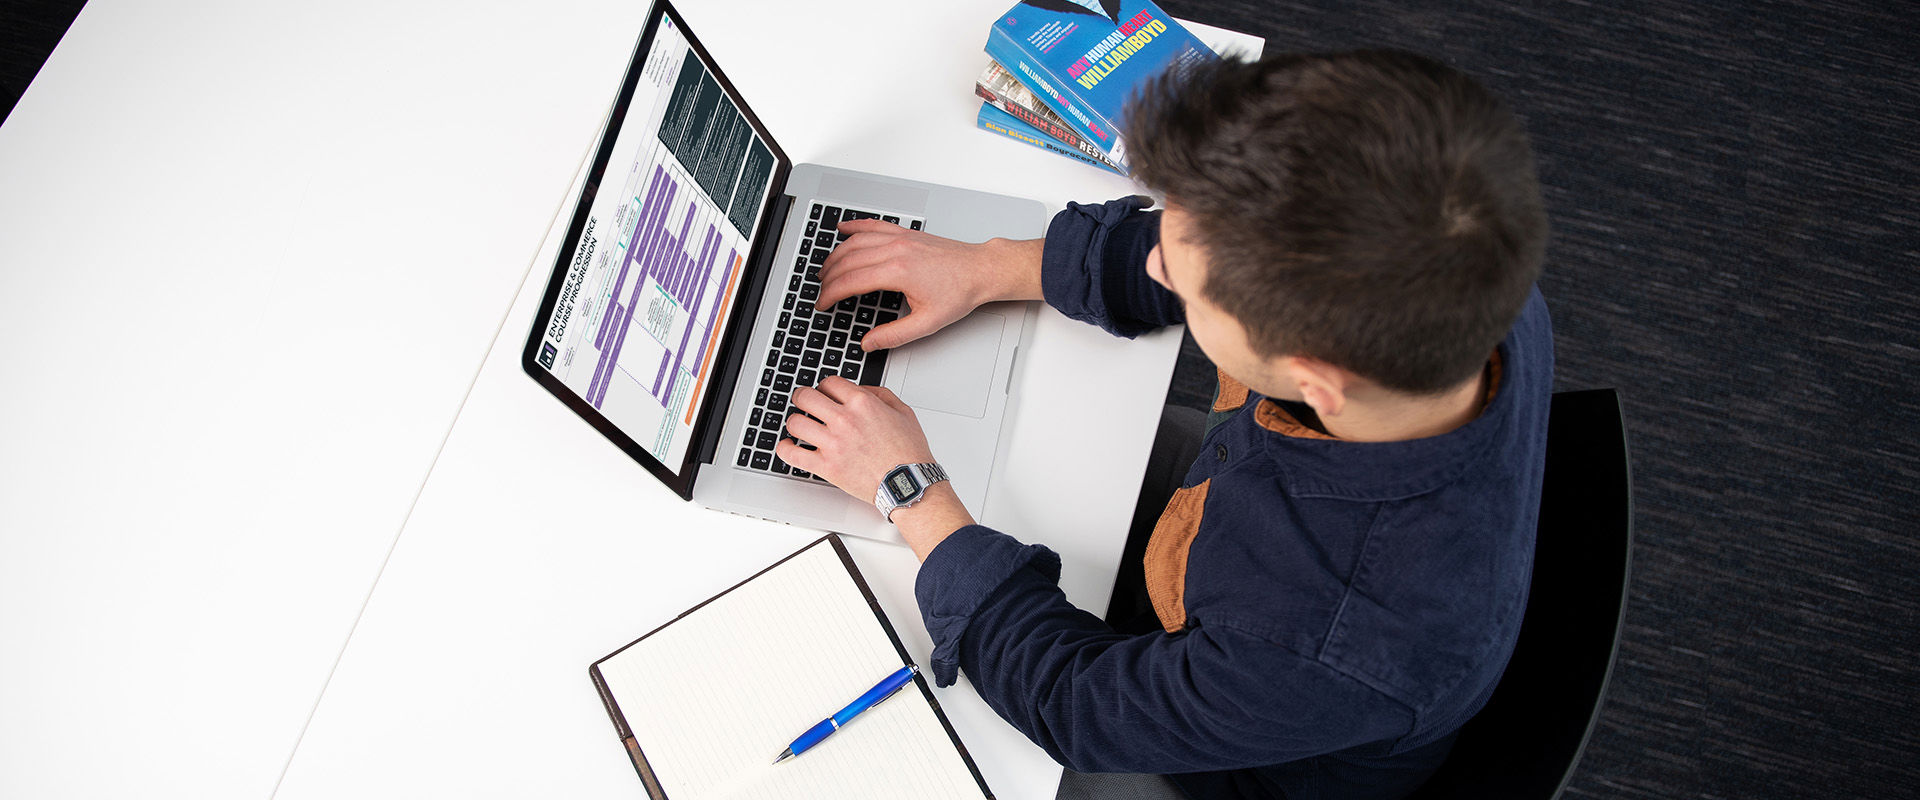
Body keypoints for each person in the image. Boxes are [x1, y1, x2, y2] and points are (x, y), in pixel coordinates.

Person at [774, 49, 1552, 800]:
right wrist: (990, 267)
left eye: (1180, 281)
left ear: (1315, 380)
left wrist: (912, 493)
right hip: (1245, 562)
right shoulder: (1461, 266)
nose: (1156, 263)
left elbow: (1077, 707)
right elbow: (1223, 245)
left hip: (1218, 753)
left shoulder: (1324, 639)